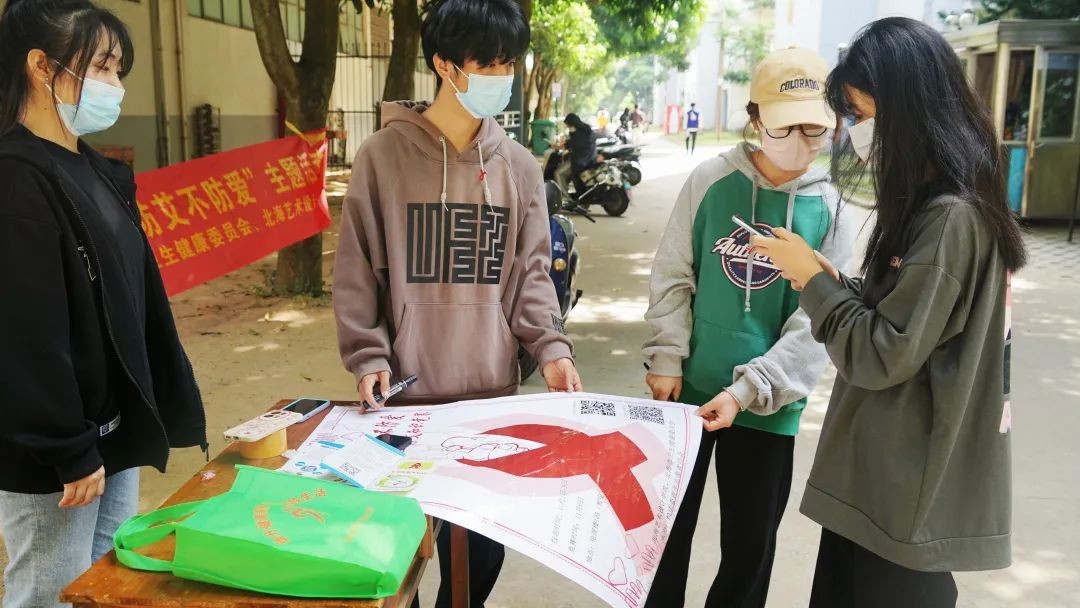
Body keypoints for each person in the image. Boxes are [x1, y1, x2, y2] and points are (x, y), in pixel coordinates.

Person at [754, 18, 1025, 608]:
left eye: (861, 113)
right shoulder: (941, 204)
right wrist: (829, 280)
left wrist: (813, 283)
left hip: (903, 492)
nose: (856, 131)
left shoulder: (949, 217)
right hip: (882, 484)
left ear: (912, 109)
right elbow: (902, 315)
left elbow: (882, 352)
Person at [333, 0, 581, 605]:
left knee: (481, 559)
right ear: (445, 64)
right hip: (404, 396)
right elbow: (357, 271)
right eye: (488, 63)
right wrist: (367, 355)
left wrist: (551, 348)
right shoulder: (381, 158)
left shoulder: (519, 167)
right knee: (401, 556)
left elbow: (530, 276)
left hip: (490, 396)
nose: (503, 76)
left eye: (510, 63)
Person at [0, 1, 208, 605]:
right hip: (57, 447)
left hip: (113, 427)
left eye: (118, 70)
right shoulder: (16, 177)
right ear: (41, 66)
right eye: (101, 67)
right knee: (51, 591)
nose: (115, 85)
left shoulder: (94, 169)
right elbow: (25, 333)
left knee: (106, 583)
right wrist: (66, 446)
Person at [643, 47, 854, 608]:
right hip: (687, 391)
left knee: (750, 547)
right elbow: (674, 272)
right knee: (664, 537)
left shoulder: (830, 207)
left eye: (815, 128)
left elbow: (818, 322)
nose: (802, 141)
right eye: (787, 126)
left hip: (769, 404)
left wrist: (748, 389)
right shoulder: (711, 181)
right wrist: (666, 357)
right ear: (757, 118)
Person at [555, 113, 597, 200]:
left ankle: (565, 198)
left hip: (579, 161)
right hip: (589, 159)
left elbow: (567, 145)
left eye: (568, 126)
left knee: (558, 173)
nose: (568, 128)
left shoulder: (579, 134)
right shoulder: (587, 130)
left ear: (572, 124)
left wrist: (555, 146)